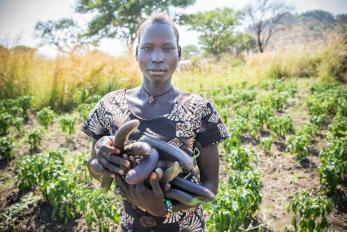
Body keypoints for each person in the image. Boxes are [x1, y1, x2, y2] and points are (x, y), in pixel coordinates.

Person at [82, 13, 229, 232]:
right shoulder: (109, 105)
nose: (157, 57)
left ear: (178, 53)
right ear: (136, 53)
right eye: (148, 48)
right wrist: (102, 160)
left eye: (167, 48)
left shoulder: (199, 109)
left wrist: (165, 208)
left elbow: (209, 189)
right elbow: (94, 170)